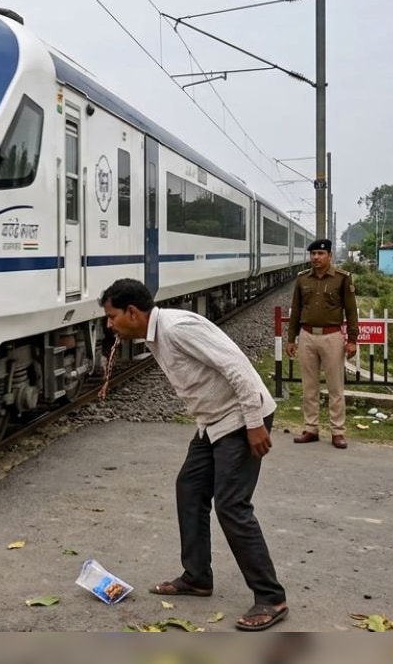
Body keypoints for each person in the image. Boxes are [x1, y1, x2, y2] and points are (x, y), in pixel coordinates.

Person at [99, 278, 288, 632]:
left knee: (232, 505)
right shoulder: (154, 335)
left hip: (241, 418)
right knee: (189, 489)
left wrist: (254, 423)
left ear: (132, 312)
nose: (109, 325)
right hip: (213, 423)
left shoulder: (178, 328)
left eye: (111, 317)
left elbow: (237, 367)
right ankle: (198, 576)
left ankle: (270, 596)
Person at [285, 239, 359, 449]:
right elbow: (296, 310)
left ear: (329, 256)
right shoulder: (302, 280)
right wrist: (291, 339)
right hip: (307, 335)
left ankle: (338, 432)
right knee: (309, 387)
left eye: (320, 254)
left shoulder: (342, 279)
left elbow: (351, 311)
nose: (316, 258)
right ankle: (311, 428)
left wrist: (352, 340)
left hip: (332, 336)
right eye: (313, 254)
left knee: (335, 387)